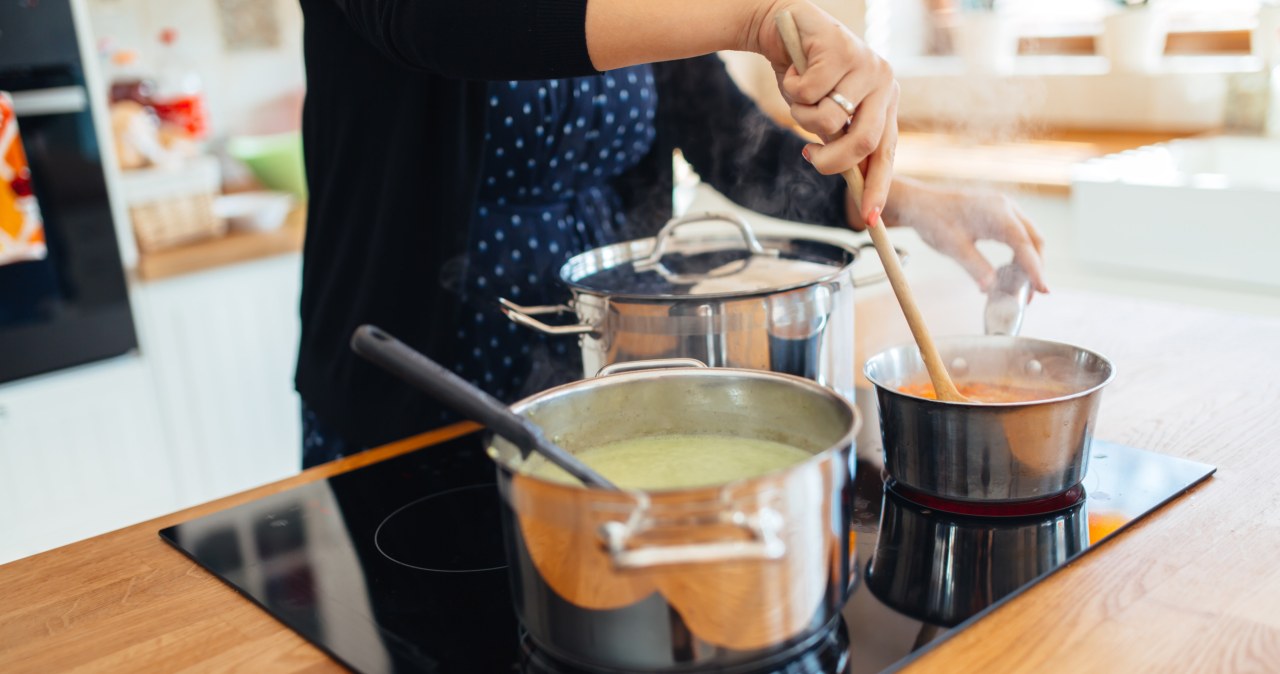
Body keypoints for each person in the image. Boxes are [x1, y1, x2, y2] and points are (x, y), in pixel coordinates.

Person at [296, 0, 1049, 468]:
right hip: (413, 394)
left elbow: (722, 134)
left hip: (604, 372)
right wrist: (749, 14)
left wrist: (906, 199)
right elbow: (447, 22)